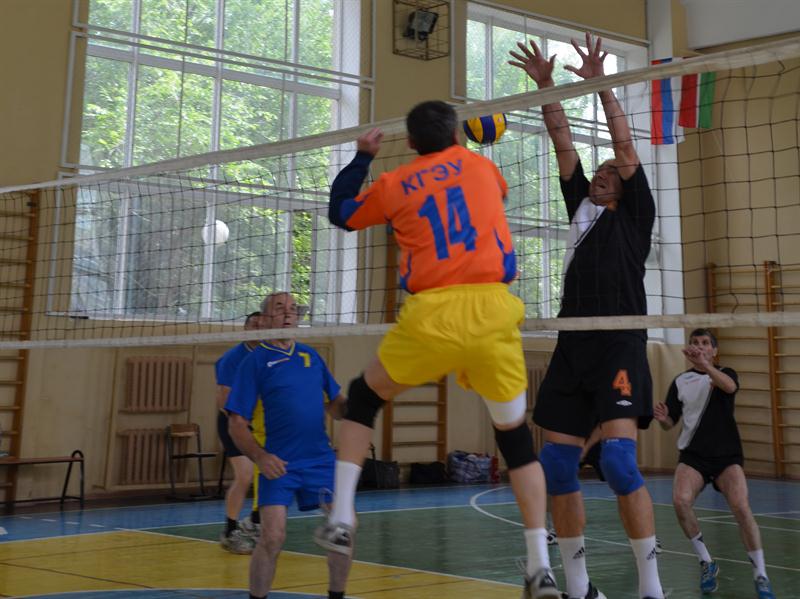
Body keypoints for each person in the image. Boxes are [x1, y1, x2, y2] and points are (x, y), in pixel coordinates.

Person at [317, 100, 560, 599]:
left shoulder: (395, 182)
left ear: (409, 142)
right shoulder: (484, 169)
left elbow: (340, 214)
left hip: (431, 314)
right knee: (515, 440)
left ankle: (341, 515)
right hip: (493, 311)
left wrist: (363, 157)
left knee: (363, 397)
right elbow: (485, 193)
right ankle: (539, 566)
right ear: (455, 133)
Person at [509, 33, 662, 599]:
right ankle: (578, 588)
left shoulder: (636, 215)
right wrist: (547, 85)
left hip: (620, 342)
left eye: (609, 174)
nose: (600, 174)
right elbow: (561, 138)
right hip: (572, 343)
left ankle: (650, 588)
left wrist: (602, 84)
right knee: (557, 466)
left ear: (624, 186)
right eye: (596, 173)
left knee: (619, 464)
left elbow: (623, 143)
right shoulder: (582, 209)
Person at [226, 291, 352, 599]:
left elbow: (336, 406)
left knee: (343, 532)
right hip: (278, 462)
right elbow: (236, 424)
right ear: (265, 318)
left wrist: (360, 404)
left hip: (319, 460)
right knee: (272, 537)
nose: (288, 313)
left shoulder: (311, 356)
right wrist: (260, 457)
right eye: (280, 307)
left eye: (293, 309)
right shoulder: (254, 362)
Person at [654, 329, 777, 598]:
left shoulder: (725, 373)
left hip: (726, 456)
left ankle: (761, 574)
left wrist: (706, 366)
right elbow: (670, 423)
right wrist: (663, 419)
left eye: (705, 343)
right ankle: (706, 562)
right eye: (694, 343)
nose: (699, 346)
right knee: (680, 501)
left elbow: (730, 387)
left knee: (741, 507)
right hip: (693, 455)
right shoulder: (680, 381)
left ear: (714, 351)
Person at [215, 310, 263, 554]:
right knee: (244, 476)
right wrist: (243, 425)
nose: (258, 328)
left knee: (270, 473)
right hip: (234, 423)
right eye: (253, 324)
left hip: (263, 424)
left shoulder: (270, 355)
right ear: (245, 329)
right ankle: (230, 530)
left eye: (262, 325)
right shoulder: (233, 358)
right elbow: (223, 400)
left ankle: (254, 521)